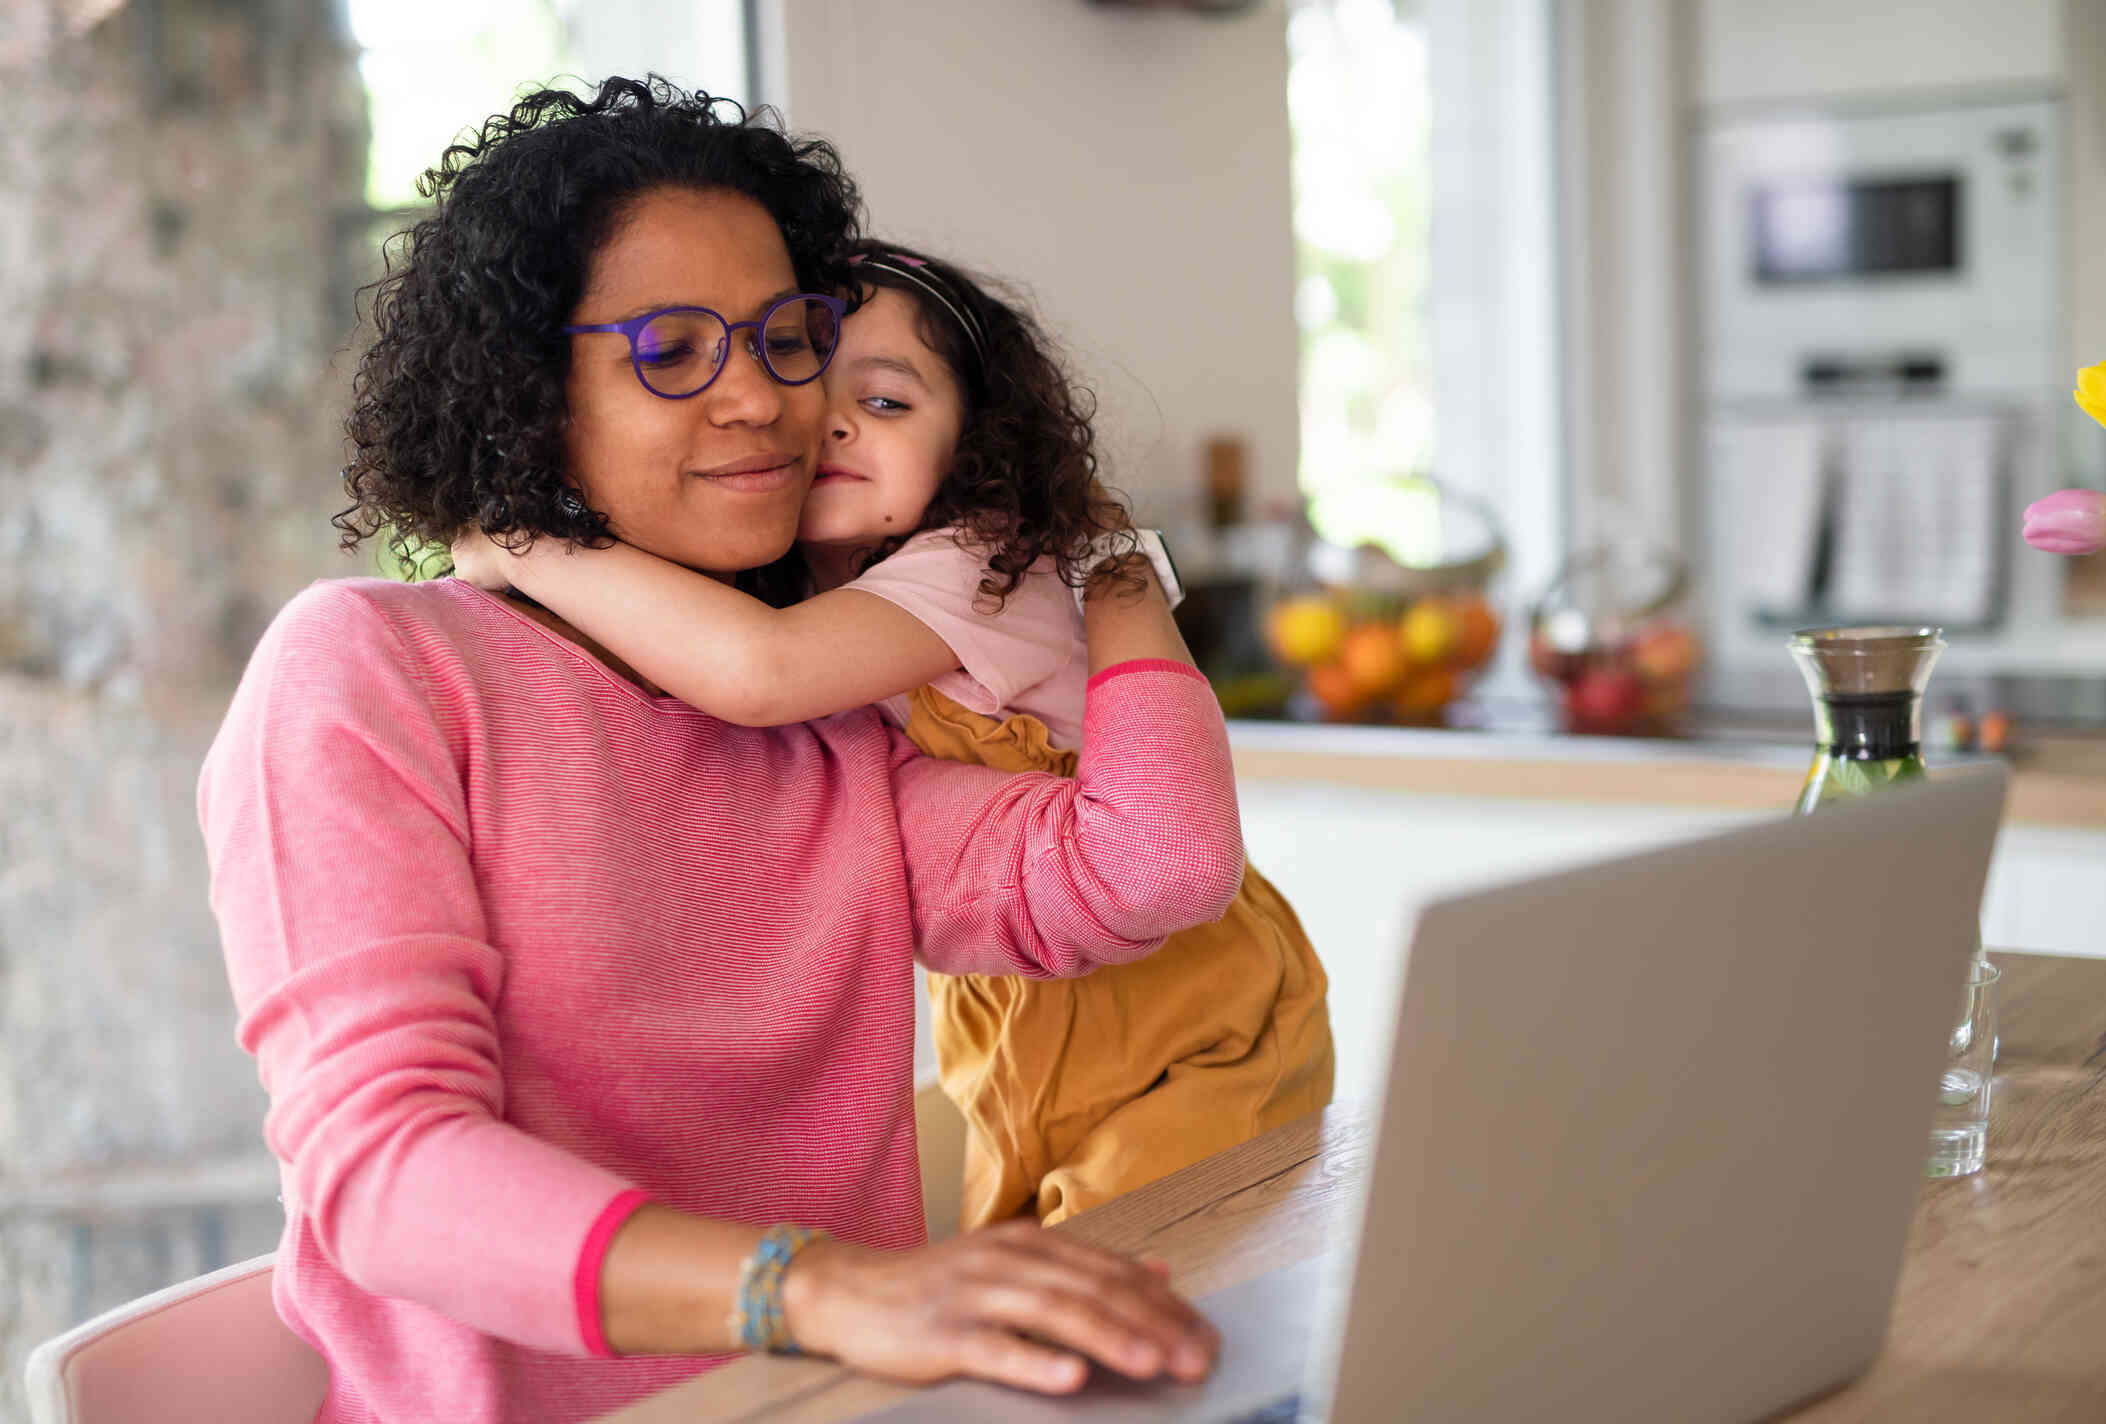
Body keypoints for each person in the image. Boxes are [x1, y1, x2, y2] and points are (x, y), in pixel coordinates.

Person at [198, 77, 1240, 1424]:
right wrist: (818, 1291)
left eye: (783, 339)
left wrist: (1104, 551)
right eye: (671, 349)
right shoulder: (373, 667)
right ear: (528, 391)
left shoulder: (828, 721)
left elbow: (1152, 868)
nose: (760, 400)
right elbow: (386, 1176)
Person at [452, 239, 1335, 1231]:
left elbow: (759, 672)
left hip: (1193, 1024)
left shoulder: (979, 560)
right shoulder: (846, 596)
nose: (829, 420)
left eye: (886, 402)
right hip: (1021, 1028)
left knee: (1122, 1325)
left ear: (974, 448)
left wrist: (526, 542)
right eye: (807, 388)